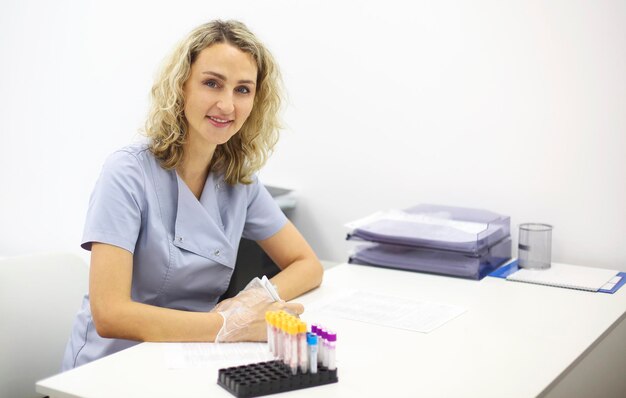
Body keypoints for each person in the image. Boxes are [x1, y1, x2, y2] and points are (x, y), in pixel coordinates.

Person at [61, 20, 324, 371]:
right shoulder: (127, 173)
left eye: (242, 90)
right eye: (212, 83)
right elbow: (110, 314)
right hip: (110, 367)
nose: (227, 105)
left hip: (190, 357)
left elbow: (307, 265)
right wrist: (228, 326)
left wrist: (249, 304)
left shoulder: (238, 179)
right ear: (181, 85)